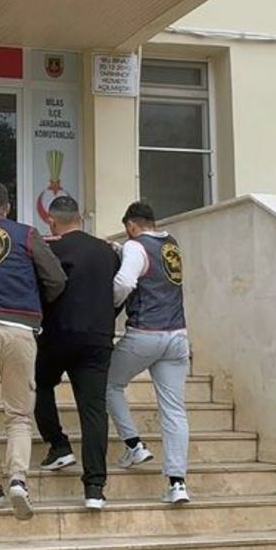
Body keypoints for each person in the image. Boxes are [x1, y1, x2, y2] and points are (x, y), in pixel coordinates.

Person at [0, 181, 66, 520]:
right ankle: (18, 479)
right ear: (8, 207)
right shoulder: (27, 235)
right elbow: (56, 278)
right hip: (20, 331)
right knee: (18, 415)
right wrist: (38, 303)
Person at [35, 195, 119, 510]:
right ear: (80, 219)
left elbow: (42, 290)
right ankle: (95, 488)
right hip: (98, 337)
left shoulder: (50, 250)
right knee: (93, 410)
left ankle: (59, 445)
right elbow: (121, 288)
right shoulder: (106, 251)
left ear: (51, 221)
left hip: (57, 335)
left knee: (39, 384)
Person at [106, 201, 191, 505]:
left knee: (109, 383)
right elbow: (148, 264)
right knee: (174, 410)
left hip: (145, 334)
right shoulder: (171, 245)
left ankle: (134, 445)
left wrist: (109, 306)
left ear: (131, 225)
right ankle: (177, 483)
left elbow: (125, 281)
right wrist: (120, 250)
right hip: (177, 337)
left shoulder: (135, 246)